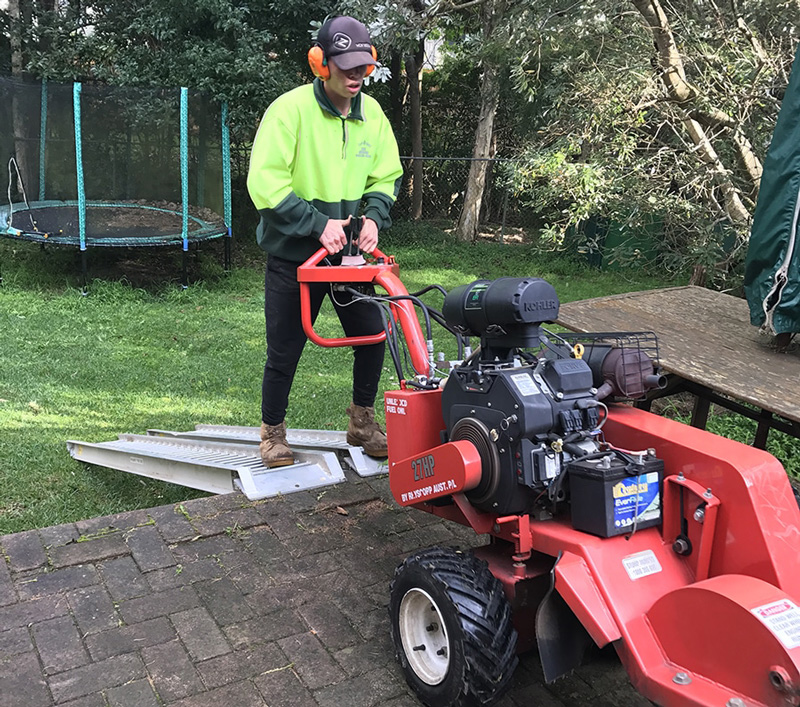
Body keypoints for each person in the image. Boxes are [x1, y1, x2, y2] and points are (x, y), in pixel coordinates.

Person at [247, 15, 403, 467]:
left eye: (363, 67)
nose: (356, 76)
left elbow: (385, 174)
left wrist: (373, 216)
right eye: (347, 66)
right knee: (285, 349)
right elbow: (266, 183)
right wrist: (316, 224)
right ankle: (272, 433)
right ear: (321, 63)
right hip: (295, 256)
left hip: (351, 259)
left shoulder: (371, 115)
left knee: (373, 336)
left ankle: (362, 421)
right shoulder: (289, 111)